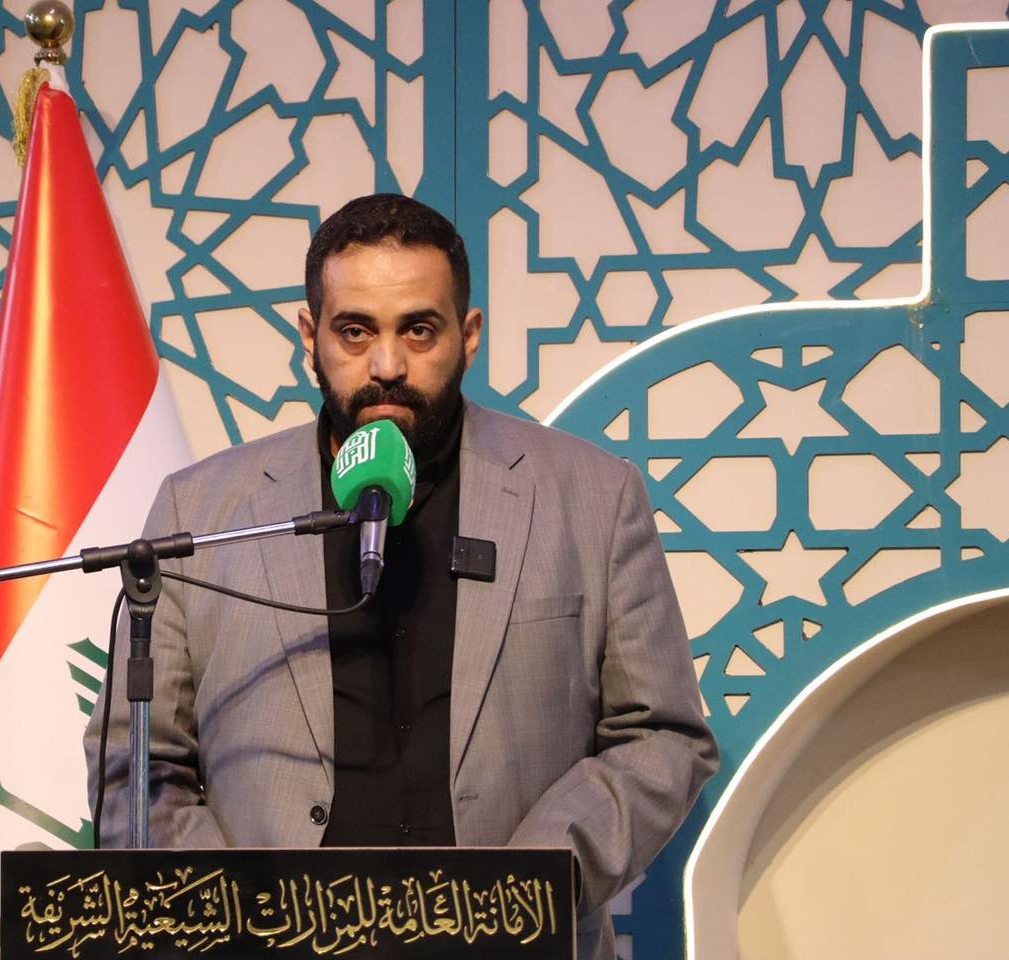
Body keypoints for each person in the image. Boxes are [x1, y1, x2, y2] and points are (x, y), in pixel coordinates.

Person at [86, 193, 718, 959]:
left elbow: (663, 736)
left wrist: (527, 887)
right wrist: (232, 920)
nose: (387, 366)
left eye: (419, 330)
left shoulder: (594, 497)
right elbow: (134, 762)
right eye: (355, 331)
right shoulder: (203, 510)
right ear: (310, 336)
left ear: (468, 334)